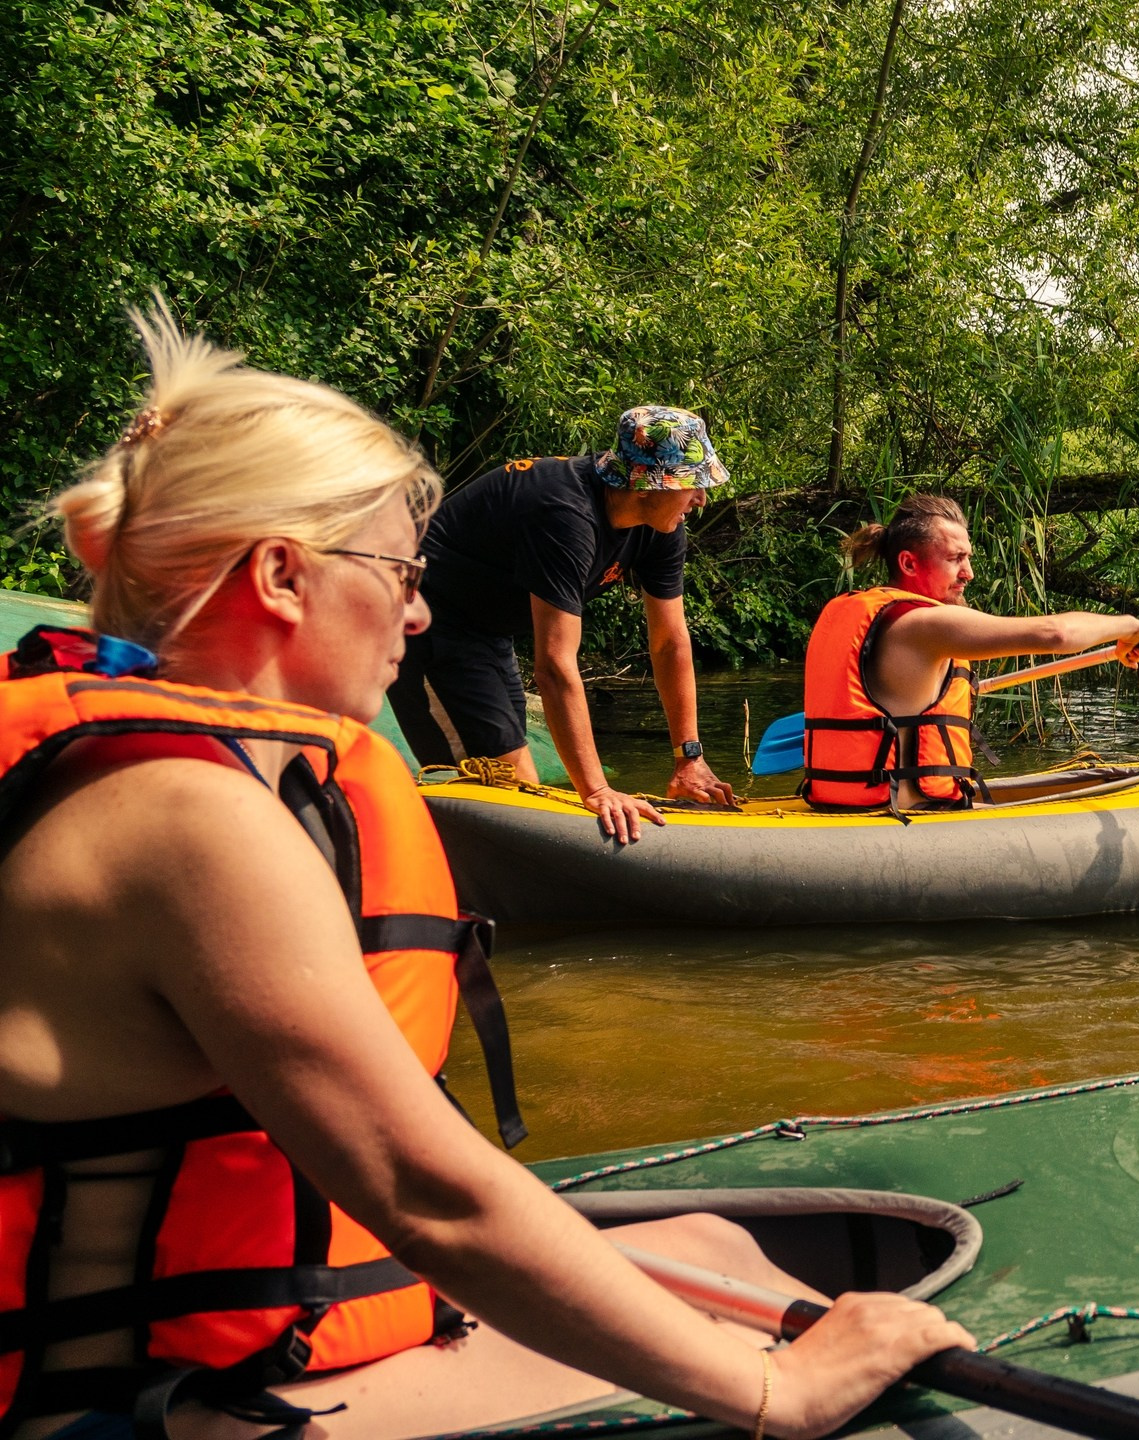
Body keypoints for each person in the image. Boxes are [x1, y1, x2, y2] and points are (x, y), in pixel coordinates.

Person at [0, 306, 969, 1438]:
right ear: (279, 574)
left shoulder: (167, 778)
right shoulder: (189, 822)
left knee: (711, 1249)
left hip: (227, 1335)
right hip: (126, 1407)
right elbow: (428, 1196)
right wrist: (776, 1389)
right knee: (761, 1350)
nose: (419, 607)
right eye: (399, 571)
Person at [386, 406, 735, 845]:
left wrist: (689, 758)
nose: (701, 498)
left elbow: (670, 643)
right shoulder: (564, 513)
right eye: (692, 484)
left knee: (518, 785)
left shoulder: (662, 526)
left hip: (487, 633)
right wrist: (599, 790)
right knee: (488, 796)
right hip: (426, 622)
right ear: (646, 486)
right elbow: (553, 665)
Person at [803, 495, 1139, 811]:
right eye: (955, 559)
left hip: (841, 806)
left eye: (967, 558)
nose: (968, 573)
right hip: (909, 816)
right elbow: (1055, 634)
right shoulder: (923, 626)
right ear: (909, 564)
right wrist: (1128, 625)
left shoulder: (854, 613)